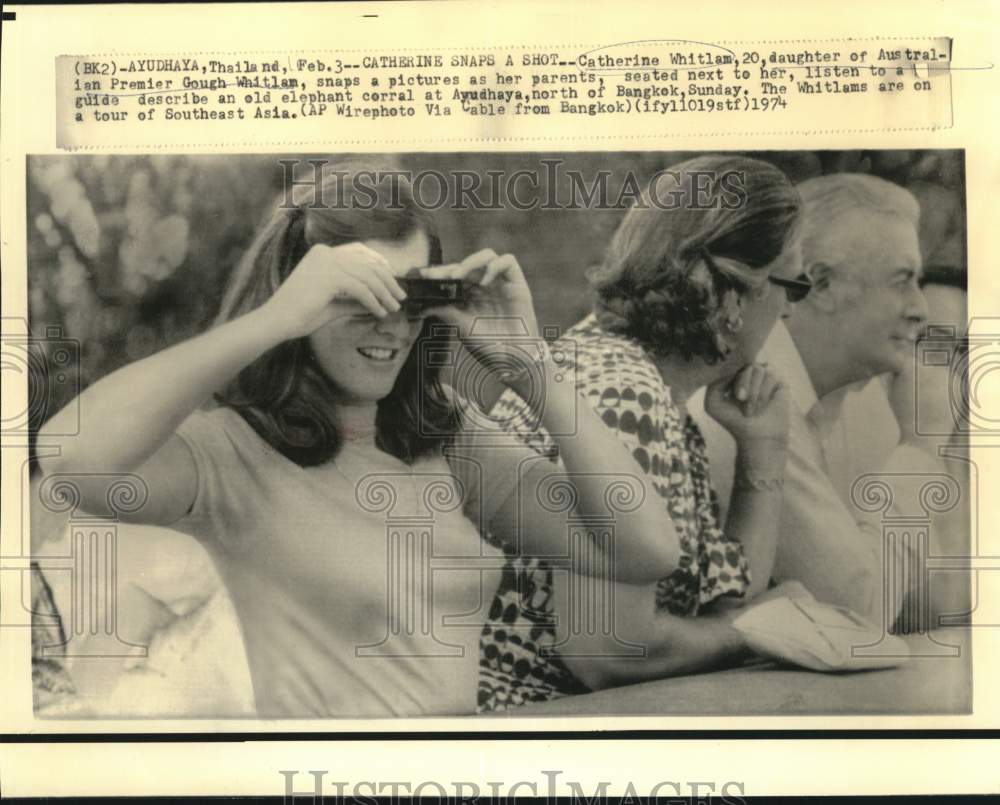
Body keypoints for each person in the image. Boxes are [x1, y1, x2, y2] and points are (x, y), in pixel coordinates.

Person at [37, 163, 685, 718]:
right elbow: (69, 458)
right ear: (301, 295)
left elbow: (644, 549)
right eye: (357, 295)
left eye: (411, 295)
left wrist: (533, 368)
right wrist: (273, 319)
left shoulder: (448, 442)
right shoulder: (230, 452)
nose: (390, 326)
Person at [481, 155, 812, 700]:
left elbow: (726, 598)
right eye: (792, 284)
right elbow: (607, 651)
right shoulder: (620, 392)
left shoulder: (646, 382)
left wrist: (763, 449)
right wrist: (764, 631)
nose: (790, 313)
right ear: (730, 294)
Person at [690, 173, 954, 629]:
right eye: (901, 280)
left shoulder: (861, 398)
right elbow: (858, 612)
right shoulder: (752, 396)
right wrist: (921, 449)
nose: (920, 308)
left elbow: (934, 600)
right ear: (821, 285)